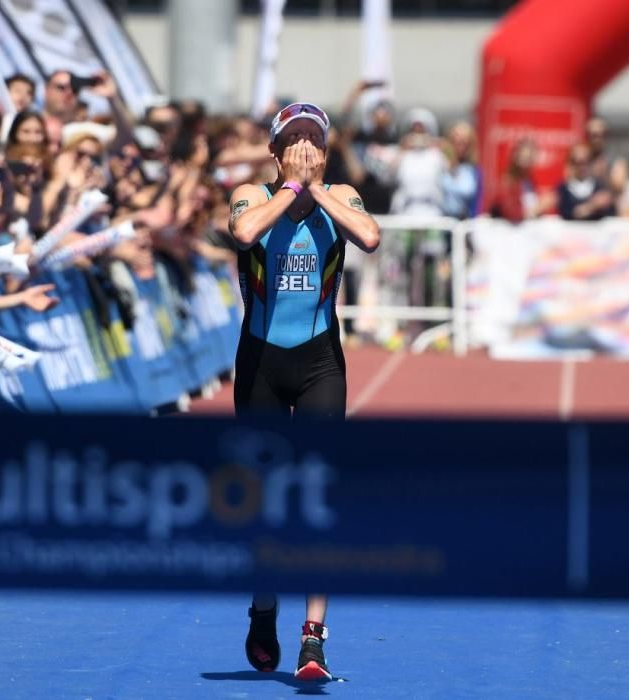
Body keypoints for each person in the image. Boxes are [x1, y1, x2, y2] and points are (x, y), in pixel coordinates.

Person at [228, 102, 379, 682]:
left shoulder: (341, 195)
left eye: (314, 141)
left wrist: (317, 191)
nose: (306, 150)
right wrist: (291, 187)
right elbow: (243, 232)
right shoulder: (251, 193)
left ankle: (313, 639)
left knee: (318, 498)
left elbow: (368, 236)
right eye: (294, 141)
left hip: (320, 362)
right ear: (276, 151)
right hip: (262, 363)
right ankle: (263, 609)